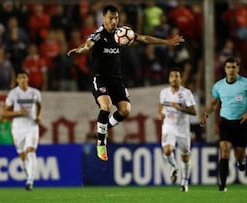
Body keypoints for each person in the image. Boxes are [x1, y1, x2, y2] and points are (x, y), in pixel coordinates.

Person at [67, 5, 184, 161]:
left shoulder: (122, 33)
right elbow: (88, 44)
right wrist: (81, 50)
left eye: (116, 18)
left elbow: (143, 38)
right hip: (99, 77)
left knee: (125, 110)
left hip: (116, 79)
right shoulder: (98, 35)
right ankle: (101, 142)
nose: (114, 21)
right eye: (111, 18)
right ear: (103, 18)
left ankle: (103, 128)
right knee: (106, 106)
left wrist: (166, 42)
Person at [200, 56, 247, 191]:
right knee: (224, 151)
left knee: (239, 154)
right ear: (225, 69)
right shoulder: (218, 86)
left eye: (234, 67)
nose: (231, 70)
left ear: (238, 68)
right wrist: (206, 114)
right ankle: (222, 184)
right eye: (228, 67)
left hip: (242, 123)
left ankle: (241, 161)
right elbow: (214, 103)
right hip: (226, 123)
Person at [158, 68, 197, 192]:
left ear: (180, 79)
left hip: (182, 129)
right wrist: (160, 113)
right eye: (172, 76)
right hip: (168, 126)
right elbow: (161, 106)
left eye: (176, 76)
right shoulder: (164, 92)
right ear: (169, 79)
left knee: (185, 157)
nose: (174, 78)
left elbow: (194, 111)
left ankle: (184, 182)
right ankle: (174, 167)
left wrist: (180, 108)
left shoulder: (186, 93)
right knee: (167, 150)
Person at [3, 70, 42, 191]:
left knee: (31, 151)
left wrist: (39, 116)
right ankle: (27, 173)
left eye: (24, 77)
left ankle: (30, 180)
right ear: (17, 80)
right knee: (22, 155)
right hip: (18, 127)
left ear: (27, 79)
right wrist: (18, 112)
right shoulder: (13, 94)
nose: (23, 80)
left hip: (31, 126)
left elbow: (40, 105)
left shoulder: (35, 92)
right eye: (20, 78)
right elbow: (5, 112)